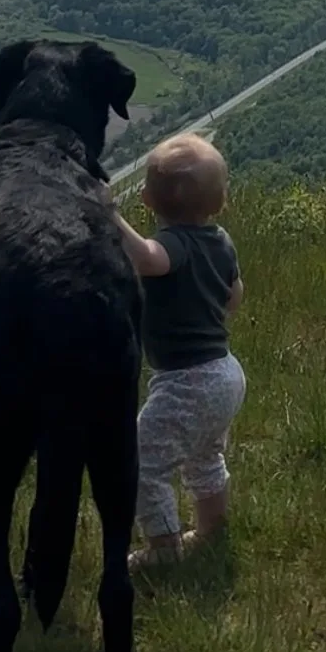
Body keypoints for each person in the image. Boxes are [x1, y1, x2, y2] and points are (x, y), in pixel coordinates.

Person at [109, 132, 246, 567]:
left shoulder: (174, 244)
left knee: (141, 462)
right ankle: (211, 528)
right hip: (225, 372)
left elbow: (148, 259)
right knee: (205, 454)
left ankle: (163, 548)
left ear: (148, 199)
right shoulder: (220, 240)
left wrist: (108, 214)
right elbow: (234, 296)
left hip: (188, 380)